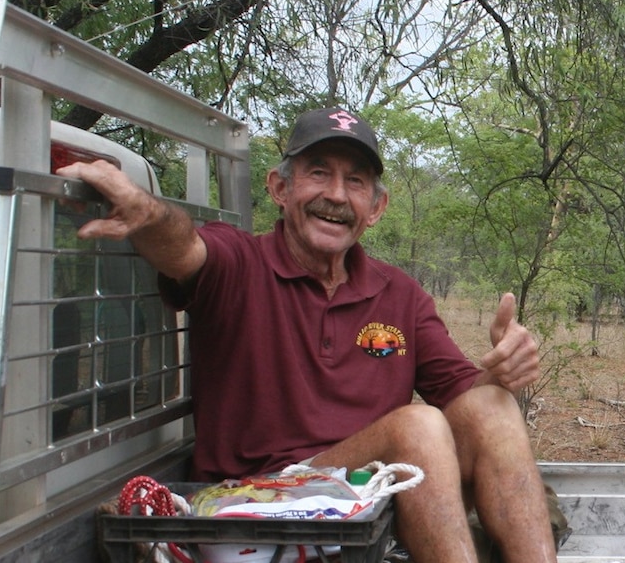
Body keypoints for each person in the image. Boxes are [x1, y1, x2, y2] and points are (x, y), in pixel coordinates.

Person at [57, 107, 558, 563]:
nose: (336, 195)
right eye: (319, 173)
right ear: (280, 188)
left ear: (376, 207)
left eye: (355, 181)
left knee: (491, 404)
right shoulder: (240, 262)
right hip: (257, 498)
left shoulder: (399, 294)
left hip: (365, 498)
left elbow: (463, 397)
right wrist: (148, 214)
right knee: (418, 427)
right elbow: (183, 248)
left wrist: (502, 371)